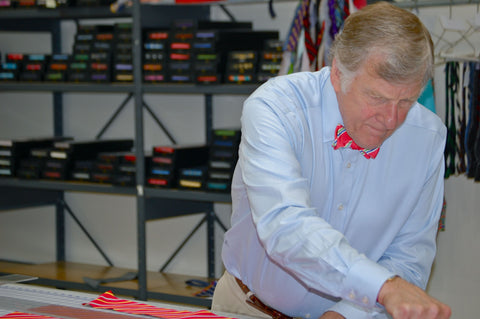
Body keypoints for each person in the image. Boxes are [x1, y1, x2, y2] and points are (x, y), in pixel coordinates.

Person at [211, 2, 452, 319]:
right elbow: (286, 225)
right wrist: (383, 287)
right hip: (248, 309)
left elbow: (410, 252)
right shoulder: (276, 109)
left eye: (406, 101)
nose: (391, 119)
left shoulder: (427, 136)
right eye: (377, 98)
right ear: (338, 73)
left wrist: (345, 314)